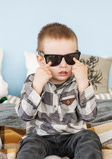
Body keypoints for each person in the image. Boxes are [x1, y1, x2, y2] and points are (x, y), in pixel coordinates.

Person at [16, 23, 102, 159]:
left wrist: (83, 83)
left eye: (69, 57)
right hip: (40, 138)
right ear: (41, 60)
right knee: (29, 147)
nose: (63, 64)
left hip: (73, 137)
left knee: (89, 137)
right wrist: (37, 86)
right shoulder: (33, 81)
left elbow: (89, 116)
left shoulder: (80, 81)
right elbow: (24, 115)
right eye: (54, 59)